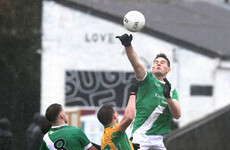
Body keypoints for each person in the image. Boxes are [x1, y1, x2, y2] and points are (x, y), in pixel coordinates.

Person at [116, 34, 181, 150]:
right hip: (141, 136)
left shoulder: (171, 89)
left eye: (162, 62)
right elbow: (136, 63)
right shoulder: (147, 79)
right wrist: (128, 45)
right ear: (152, 68)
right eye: (156, 62)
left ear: (168, 70)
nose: (158, 63)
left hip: (159, 138)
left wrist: (168, 98)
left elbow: (177, 115)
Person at [97, 80, 140, 150]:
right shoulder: (114, 131)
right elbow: (129, 117)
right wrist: (133, 93)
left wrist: (128, 144)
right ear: (114, 116)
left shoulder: (103, 139)